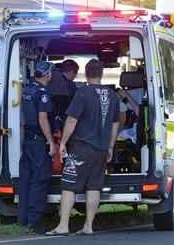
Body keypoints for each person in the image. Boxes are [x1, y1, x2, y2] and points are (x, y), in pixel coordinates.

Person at [46, 59, 120, 236]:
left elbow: (72, 120)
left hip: (82, 146)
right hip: (102, 148)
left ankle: (63, 226)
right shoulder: (112, 95)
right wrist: (110, 146)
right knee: (94, 186)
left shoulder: (83, 93)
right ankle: (89, 226)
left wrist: (63, 143)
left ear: (86, 74)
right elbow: (116, 123)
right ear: (101, 74)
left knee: (69, 185)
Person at [18, 61, 58, 234]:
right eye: (52, 72)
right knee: (39, 180)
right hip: (38, 142)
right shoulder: (43, 94)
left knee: (26, 181)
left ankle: (23, 219)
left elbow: (22, 118)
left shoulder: (26, 90)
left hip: (27, 141)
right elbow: (43, 119)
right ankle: (35, 221)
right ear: (48, 74)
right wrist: (51, 142)